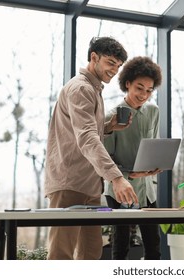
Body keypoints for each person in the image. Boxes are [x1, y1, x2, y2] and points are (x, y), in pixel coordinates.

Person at [44, 37, 138, 260]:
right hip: (70, 182)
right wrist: (116, 178)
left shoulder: (94, 89)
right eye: (110, 63)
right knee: (61, 255)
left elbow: (83, 130)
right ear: (94, 57)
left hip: (89, 184)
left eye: (118, 66)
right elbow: (86, 137)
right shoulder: (81, 89)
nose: (114, 70)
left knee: (91, 252)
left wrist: (107, 127)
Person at [104, 56, 163, 260]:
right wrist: (129, 173)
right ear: (127, 83)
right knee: (120, 247)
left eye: (149, 90)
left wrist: (156, 164)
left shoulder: (153, 111)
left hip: (147, 190)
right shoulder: (111, 117)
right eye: (139, 88)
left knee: (154, 246)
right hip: (120, 189)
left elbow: (153, 144)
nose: (144, 95)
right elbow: (106, 158)